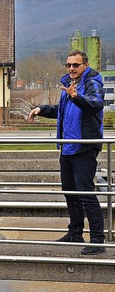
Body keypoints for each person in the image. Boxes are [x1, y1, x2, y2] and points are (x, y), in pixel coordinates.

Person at [28, 49, 106, 256]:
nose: (71, 68)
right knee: (70, 192)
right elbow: (61, 111)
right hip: (67, 147)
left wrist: (76, 96)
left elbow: (95, 105)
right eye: (68, 65)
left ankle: (98, 240)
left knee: (86, 194)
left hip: (84, 147)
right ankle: (75, 232)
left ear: (85, 66)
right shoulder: (68, 85)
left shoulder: (92, 82)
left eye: (76, 65)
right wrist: (41, 110)